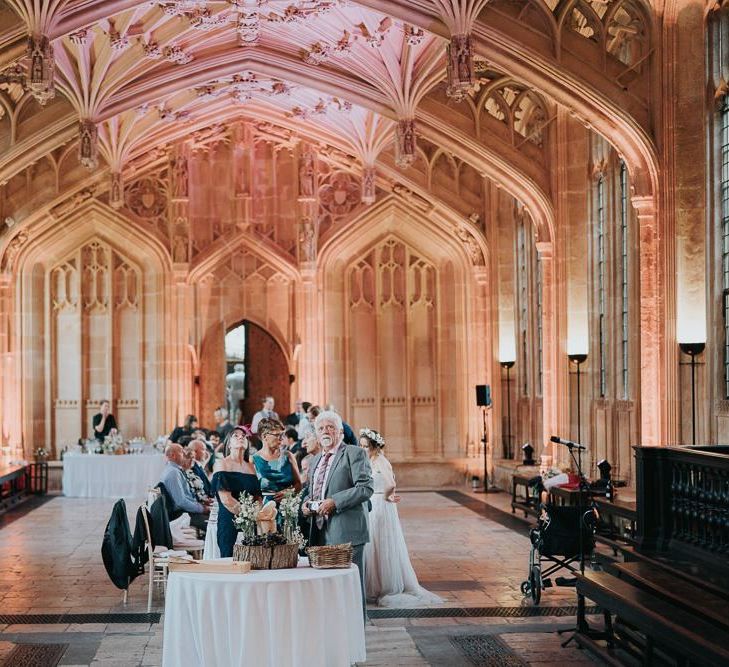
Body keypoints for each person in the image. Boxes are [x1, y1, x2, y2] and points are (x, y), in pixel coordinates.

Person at [302, 410, 373, 624]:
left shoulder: (354, 453)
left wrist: (336, 502)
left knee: (352, 585)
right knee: (329, 586)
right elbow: (312, 490)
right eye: (321, 428)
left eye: (330, 427)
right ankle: (335, 629)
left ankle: (357, 632)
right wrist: (305, 504)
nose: (326, 431)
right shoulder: (315, 460)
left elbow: (366, 487)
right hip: (321, 531)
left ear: (340, 431)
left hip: (347, 530)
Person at [359, 428, 441, 607]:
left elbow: (391, 483)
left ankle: (386, 586)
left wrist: (385, 496)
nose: (362, 449)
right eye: (361, 445)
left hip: (380, 504)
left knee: (382, 544)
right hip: (376, 504)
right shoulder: (371, 461)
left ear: (374, 447)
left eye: (365, 446)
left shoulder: (380, 460)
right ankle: (374, 585)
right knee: (373, 545)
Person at [212, 426, 262, 558]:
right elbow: (226, 500)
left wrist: (254, 514)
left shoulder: (251, 467)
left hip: (252, 520)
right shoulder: (221, 464)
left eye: (244, 436)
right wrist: (247, 516)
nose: (241, 437)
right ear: (228, 444)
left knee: (255, 558)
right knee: (229, 559)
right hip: (229, 519)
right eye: (236, 435)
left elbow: (258, 497)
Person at [159, 443, 210, 531]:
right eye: (181, 452)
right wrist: (201, 509)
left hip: (184, 511)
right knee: (215, 523)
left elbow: (186, 496)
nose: (184, 453)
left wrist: (200, 505)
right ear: (173, 455)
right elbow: (181, 502)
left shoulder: (174, 470)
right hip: (180, 515)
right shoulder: (173, 473)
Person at [252, 417, 301, 503]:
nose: (282, 439)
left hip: (288, 507)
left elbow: (298, 484)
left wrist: (288, 492)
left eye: (283, 435)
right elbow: (251, 491)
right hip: (264, 509)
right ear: (264, 436)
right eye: (277, 435)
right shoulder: (253, 460)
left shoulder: (288, 456)